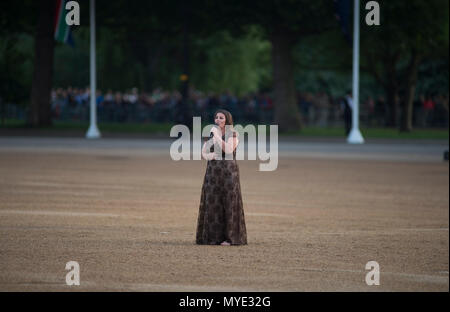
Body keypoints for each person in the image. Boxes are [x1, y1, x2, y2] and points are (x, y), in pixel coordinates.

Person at [196, 109, 247, 246]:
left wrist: (217, 137)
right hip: (212, 173)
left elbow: (229, 150)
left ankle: (230, 238)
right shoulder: (212, 134)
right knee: (213, 203)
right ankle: (213, 237)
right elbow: (203, 153)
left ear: (227, 120)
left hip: (228, 173)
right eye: (216, 117)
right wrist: (209, 156)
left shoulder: (233, 134)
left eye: (221, 118)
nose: (218, 120)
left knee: (229, 203)